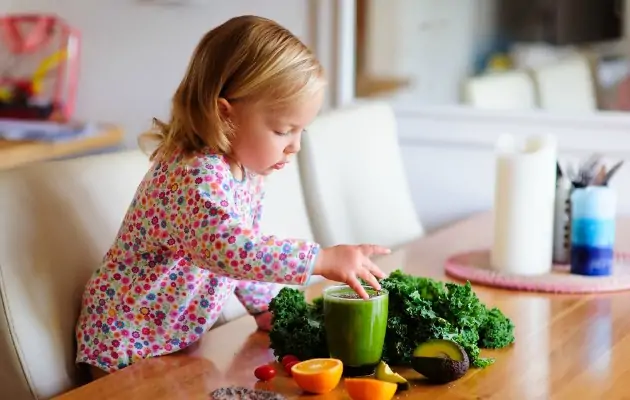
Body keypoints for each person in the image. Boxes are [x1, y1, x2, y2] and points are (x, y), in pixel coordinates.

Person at [75, 15, 390, 379]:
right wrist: (320, 258)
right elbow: (229, 248)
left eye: (301, 130)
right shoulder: (193, 174)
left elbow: (242, 259)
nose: (295, 147)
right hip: (124, 347)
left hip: (171, 344)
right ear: (225, 115)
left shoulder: (243, 172)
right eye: (283, 130)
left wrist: (264, 310)